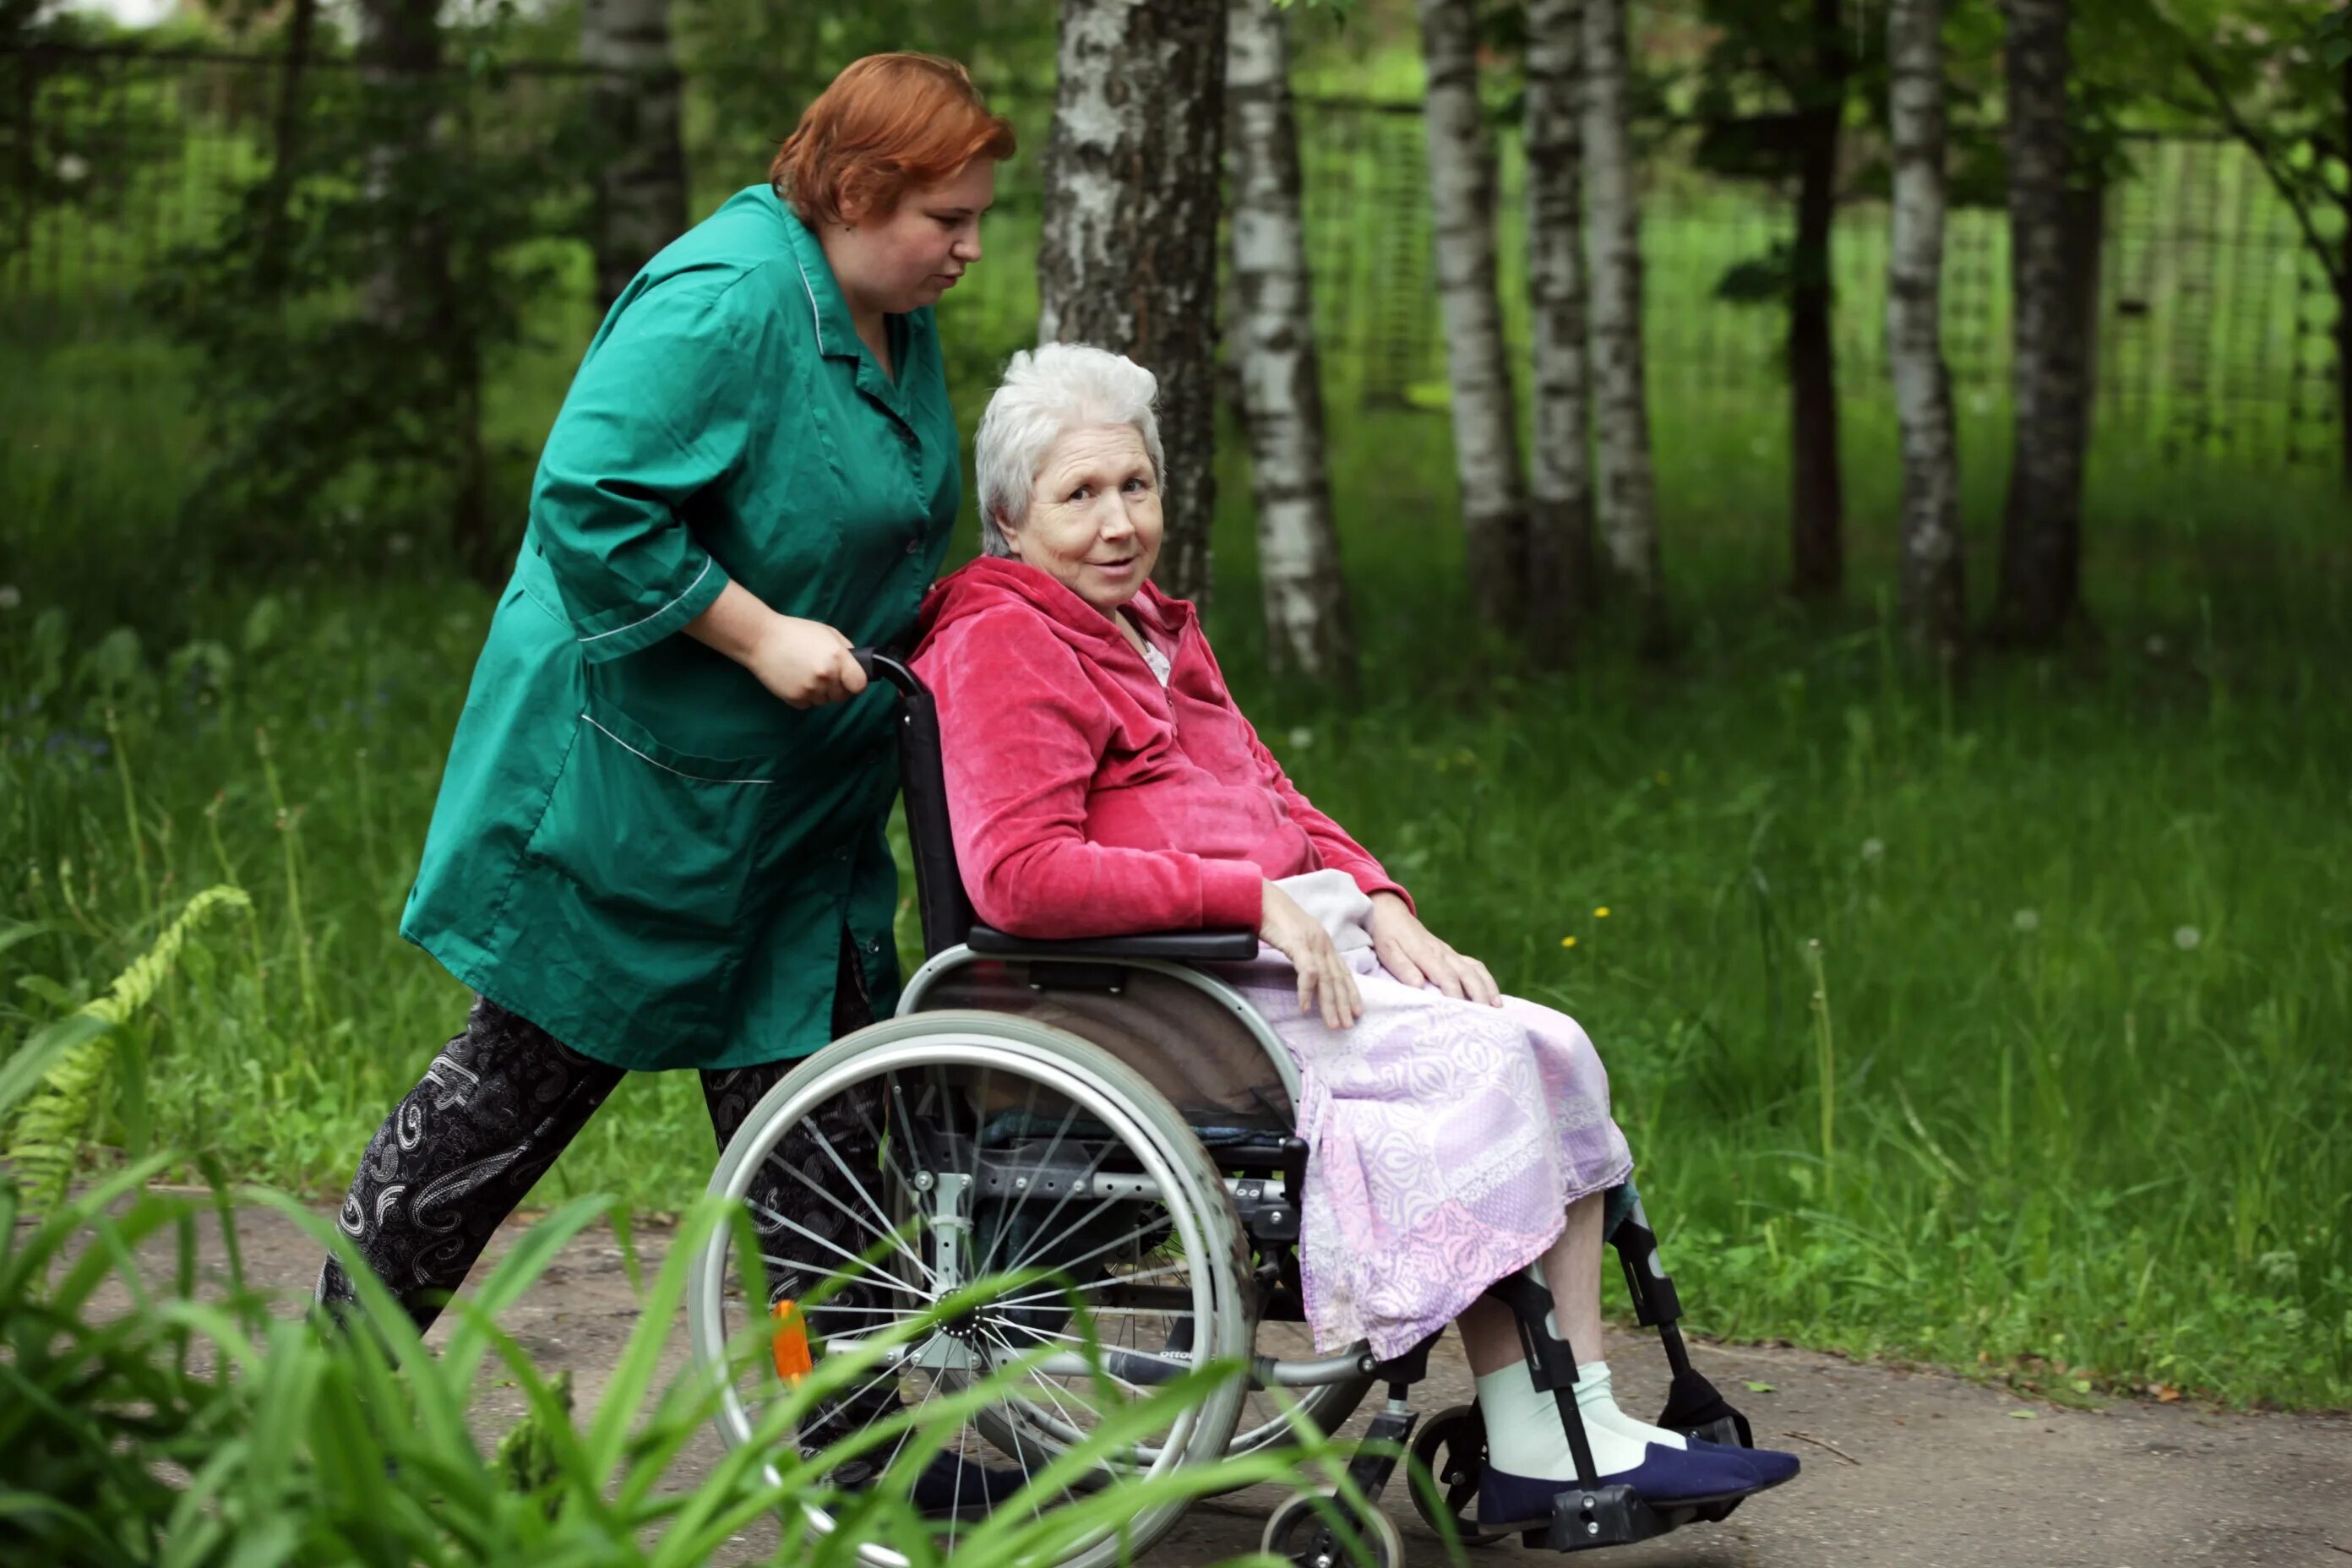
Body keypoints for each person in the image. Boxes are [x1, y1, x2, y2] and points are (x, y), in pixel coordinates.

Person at [909, 344, 1800, 1530]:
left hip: (1273, 962)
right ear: (1012, 515)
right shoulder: (1004, 641)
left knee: (1544, 1042)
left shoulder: (1150, 630)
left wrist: (1376, 895)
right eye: (1079, 496)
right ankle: (1543, 1430)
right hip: (1153, 999)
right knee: (1483, 1069)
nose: (1119, 523)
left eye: (1136, 487)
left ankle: (1568, 1412)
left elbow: (1274, 794)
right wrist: (1242, 896)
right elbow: (1020, 877)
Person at [316, 54, 1021, 1508]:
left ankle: (858, 1463)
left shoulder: (888, 306)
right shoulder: (724, 300)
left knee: (822, 1124)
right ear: (852, 191)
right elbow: (587, 501)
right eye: (946, 216)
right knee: (500, 1106)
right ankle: (325, 1411)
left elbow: (873, 512)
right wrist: (760, 635)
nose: (970, 244)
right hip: (637, 799)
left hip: (797, 810)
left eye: (975, 217)